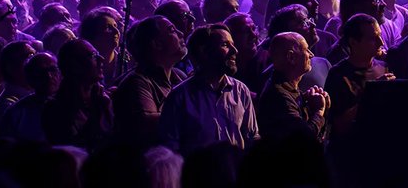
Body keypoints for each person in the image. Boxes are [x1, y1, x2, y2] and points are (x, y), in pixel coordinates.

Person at [158, 25, 259, 155]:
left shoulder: (241, 90)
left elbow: (252, 137)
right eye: (225, 45)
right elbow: (171, 148)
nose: (235, 50)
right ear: (204, 51)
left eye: (233, 45)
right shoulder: (179, 97)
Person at [112, 15, 187, 146]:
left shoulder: (179, 76)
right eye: (172, 30)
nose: (181, 34)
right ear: (157, 44)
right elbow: (148, 124)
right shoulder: (137, 82)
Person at [325, 13, 392, 137]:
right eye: (373, 38)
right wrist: (373, 93)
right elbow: (338, 125)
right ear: (353, 42)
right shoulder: (338, 74)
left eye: (380, 35)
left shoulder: (384, 68)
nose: (381, 42)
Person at [255, 31, 328, 142]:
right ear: (291, 57)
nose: (311, 55)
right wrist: (319, 111)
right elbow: (303, 139)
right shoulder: (279, 97)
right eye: (306, 50)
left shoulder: (288, 88)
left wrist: (308, 106)